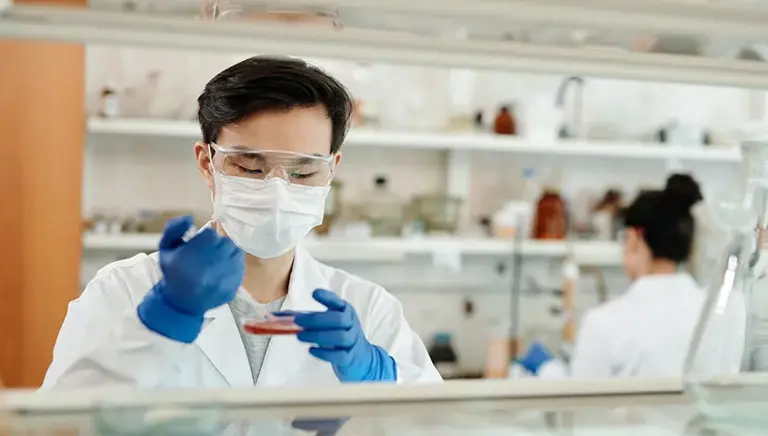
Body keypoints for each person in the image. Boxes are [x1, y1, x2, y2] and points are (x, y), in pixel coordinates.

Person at [43, 56, 441, 389]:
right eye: (251, 167)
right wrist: (161, 324)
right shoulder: (125, 291)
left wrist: (380, 377)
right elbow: (57, 428)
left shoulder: (369, 311)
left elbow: (441, 425)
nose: (278, 191)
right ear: (206, 161)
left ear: (332, 170)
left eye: (303, 173)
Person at [516, 174, 744, 379]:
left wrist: (547, 370)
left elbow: (582, 408)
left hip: (635, 427)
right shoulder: (728, 311)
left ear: (633, 239)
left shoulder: (604, 323)